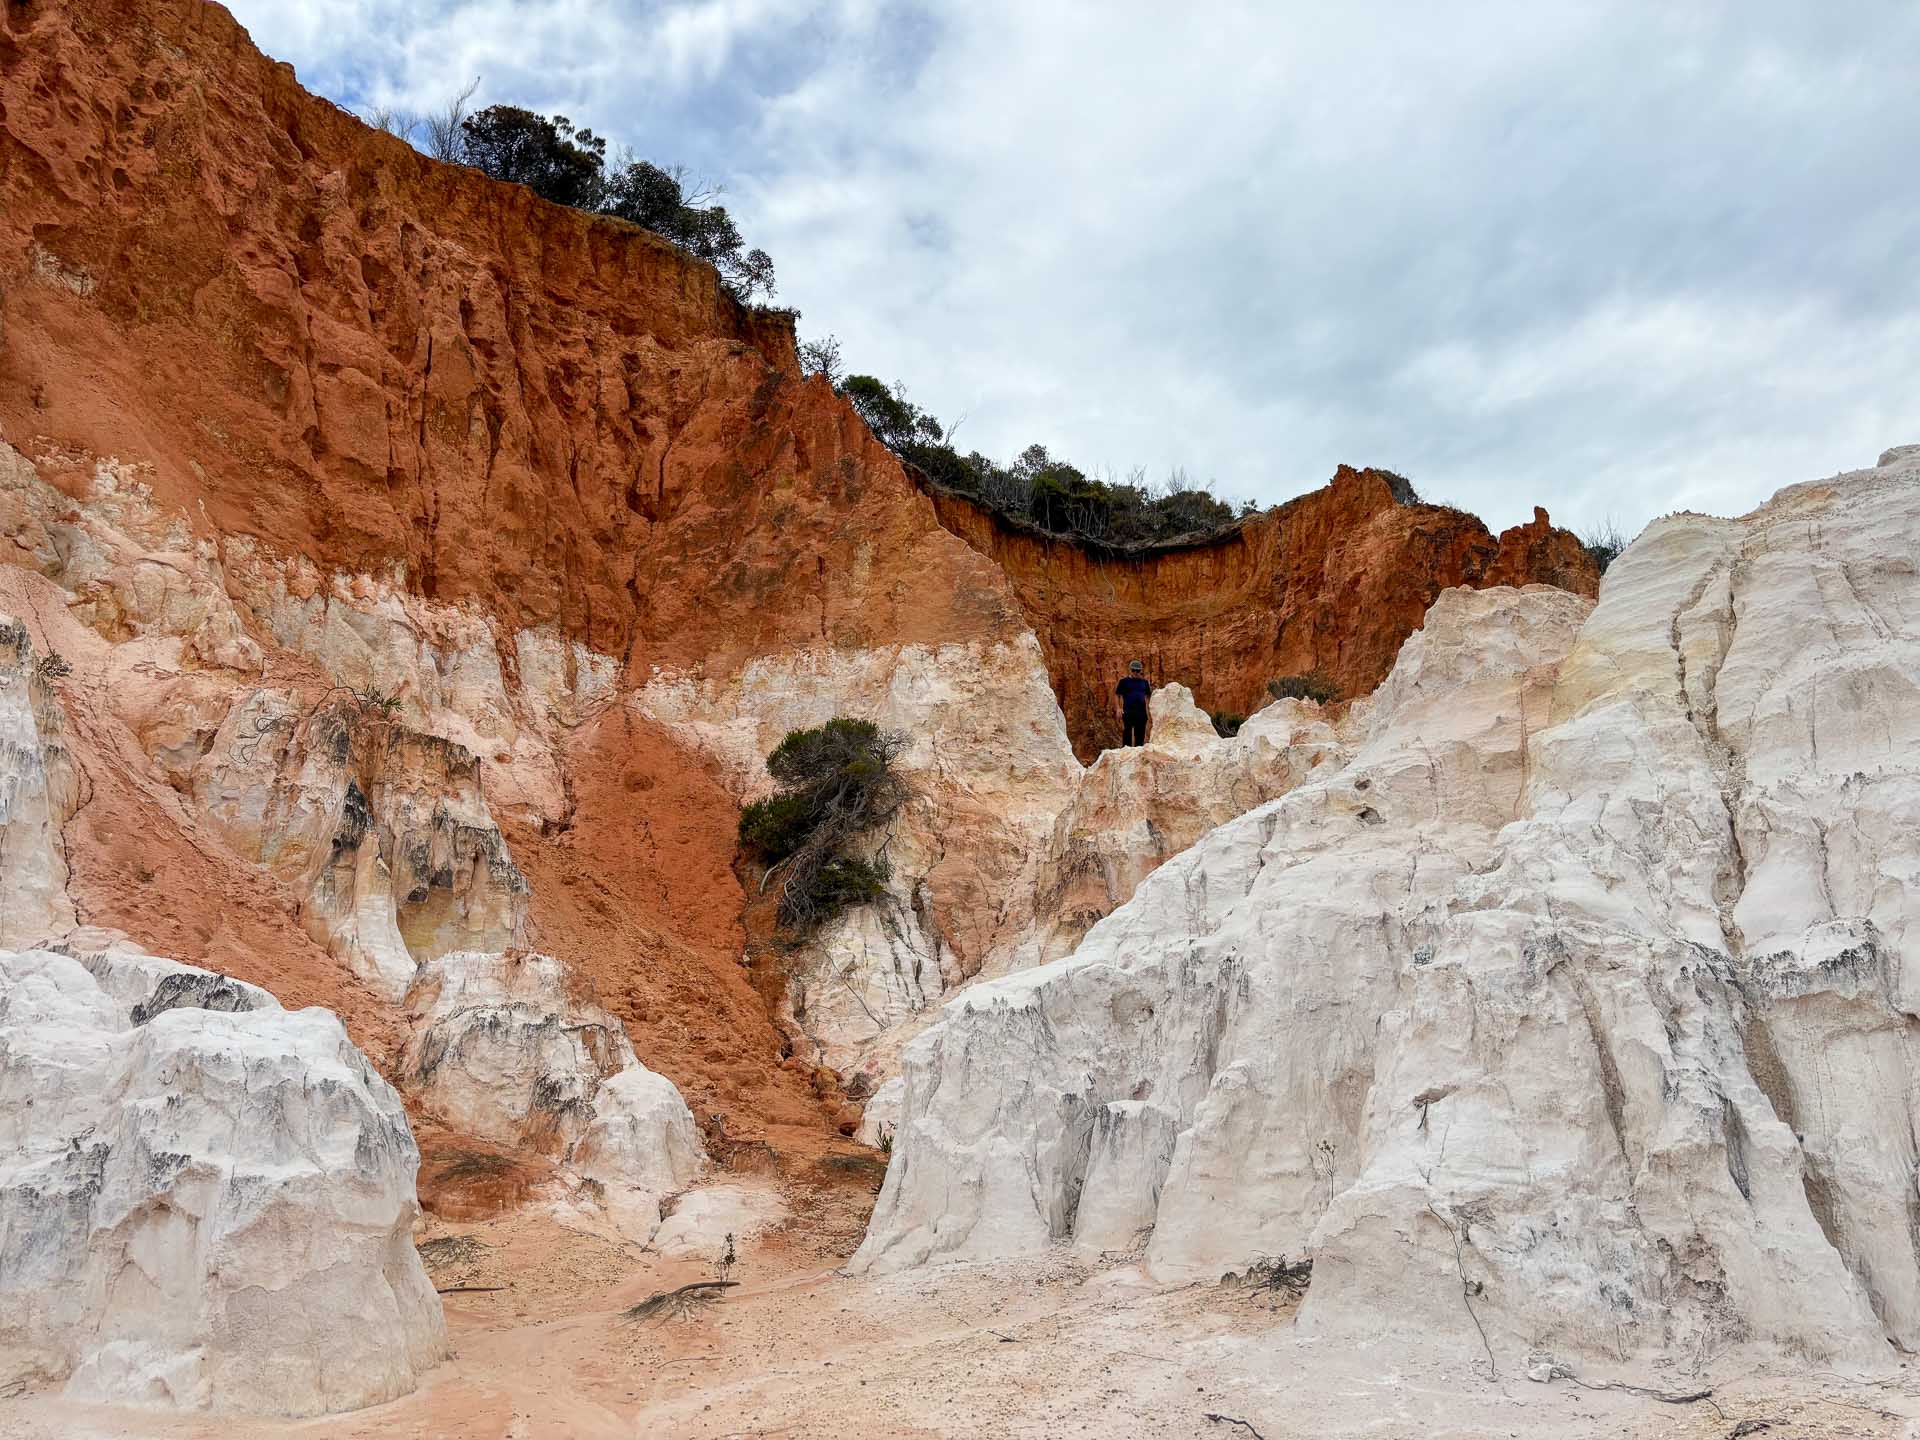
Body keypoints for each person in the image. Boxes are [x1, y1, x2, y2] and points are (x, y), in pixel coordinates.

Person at [1115, 660, 1151, 747]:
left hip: (1141, 713)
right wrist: (1118, 708)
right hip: (1128, 712)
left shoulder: (1144, 683)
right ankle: (1126, 756)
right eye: (1133, 670)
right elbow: (1117, 694)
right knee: (1127, 735)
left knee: (1140, 737)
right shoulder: (1124, 682)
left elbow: (1149, 696)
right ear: (1130, 670)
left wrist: (1150, 710)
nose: (1135, 672)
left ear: (1141, 671)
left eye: (1138, 670)